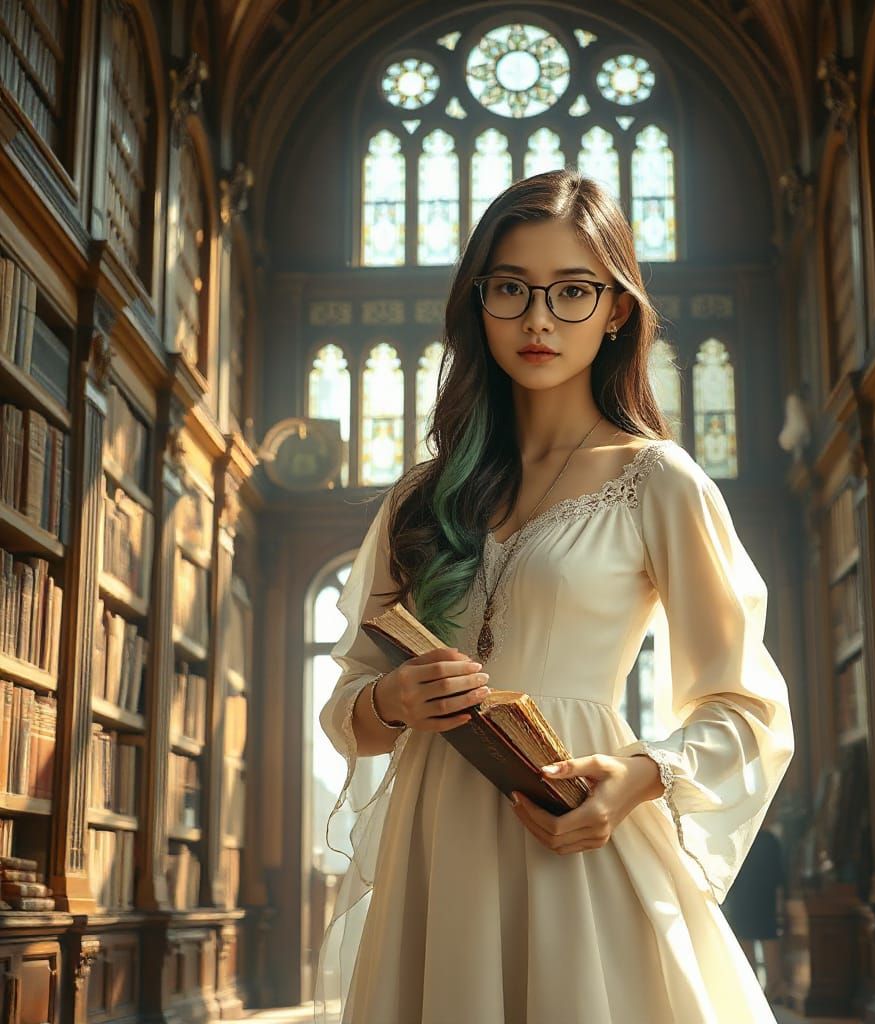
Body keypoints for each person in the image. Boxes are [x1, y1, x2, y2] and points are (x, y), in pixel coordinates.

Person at [316, 169, 794, 1023]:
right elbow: (347, 708)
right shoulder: (422, 496)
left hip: (576, 829)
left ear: (617, 310)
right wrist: (391, 699)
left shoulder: (661, 481)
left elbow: (746, 703)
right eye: (512, 289)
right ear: (480, 304)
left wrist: (639, 777)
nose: (539, 319)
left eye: (573, 291)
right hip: (438, 845)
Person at [722, 825, 788, 1004]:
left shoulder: (737, 838)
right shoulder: (769, 840)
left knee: (745, 942)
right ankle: (775, 987)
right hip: (765, 897)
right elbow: (780, 874)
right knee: (768, 938)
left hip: (742, 897)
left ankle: (750, 989)